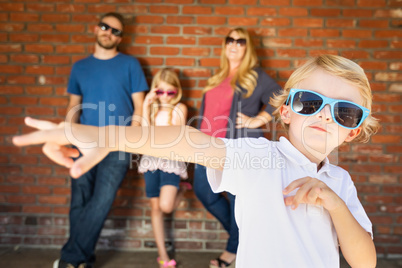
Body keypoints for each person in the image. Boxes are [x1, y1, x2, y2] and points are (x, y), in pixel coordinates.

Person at [13, 54, 379, 268]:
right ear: (286, 111)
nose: (326, 116)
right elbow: (188, 140)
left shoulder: (341, 182)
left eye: (345, 112)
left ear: (353, 131)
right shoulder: (262, 158)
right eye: (310, 102)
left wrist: (333, 202)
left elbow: (365, 261)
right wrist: (103, 137)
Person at [53, 12, 148, 268]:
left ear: (120, 37)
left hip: (117, 144)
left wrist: (132, 137)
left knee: (102, 200)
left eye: (116, 31)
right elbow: (73, 105)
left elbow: (140, 106)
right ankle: (83, 259)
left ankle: (70, 258)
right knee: (79, 201)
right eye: (106, 27)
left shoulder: (130, 65)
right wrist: (67, 137)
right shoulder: (80, 67)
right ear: (96, 29)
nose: (109, 33)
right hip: (82, 142)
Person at [194, 27, 281, 268]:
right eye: (229, 39)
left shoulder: (255, 76)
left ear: (247, 47)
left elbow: (281, 95)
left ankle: (234, 248)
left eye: (240, 41)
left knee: (236, 198)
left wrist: (258, 120)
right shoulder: (218, 76)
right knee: (205, 193)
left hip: (235, 147)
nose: (233, 44)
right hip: (205, 146)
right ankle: (244, 239)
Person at [138, 68, 189, 268]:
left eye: (170, 92)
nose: (166, 97)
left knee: (166, 206)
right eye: (161, 92)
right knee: (155, 207)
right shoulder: (151, 110)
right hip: (151, 160)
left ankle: (183, 188)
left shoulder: (179, 109)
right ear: (154, 91)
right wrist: (145, 106)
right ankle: (163, 256)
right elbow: (143, 135)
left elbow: (178, 136)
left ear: (177, 92)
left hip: (170, 160)